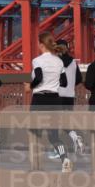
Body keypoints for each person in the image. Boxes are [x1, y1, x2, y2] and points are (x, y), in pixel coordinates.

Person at [31, 32, 72, 173]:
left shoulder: (37, 60)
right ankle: (65, 158)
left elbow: (38, 77)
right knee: (53, 134)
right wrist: (53, 82)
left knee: (34, 131)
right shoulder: (59, 61)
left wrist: (29, 86)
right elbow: (65, 82)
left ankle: (35, 165)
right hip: (55, 99)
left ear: (41, 45)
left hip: (40, 99)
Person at [56, 39, 85, 154]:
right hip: (70, 96)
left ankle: (59, 149)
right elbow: (79, 79)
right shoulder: (73, 62)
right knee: (65, 121)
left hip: (58, 95)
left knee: (56, 123)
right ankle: (75, 137)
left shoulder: (56, 61)